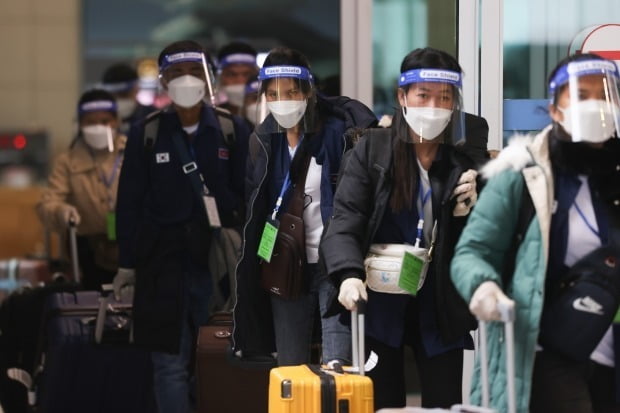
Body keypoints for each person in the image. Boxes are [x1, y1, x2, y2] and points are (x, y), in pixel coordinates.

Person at [450, 52, 620, 413]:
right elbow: (472, 251)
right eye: (581, 95)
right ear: (555, 109)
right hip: (542, 349)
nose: (596, 105)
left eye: (605, 94)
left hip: (611, 348)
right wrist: (483, 285)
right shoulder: (522, 172)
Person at [319, 47, 483, 410]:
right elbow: (345, 218)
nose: (433, 106)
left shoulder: (462, 159)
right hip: (379, 299)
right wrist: (347, 274)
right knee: (382, 401)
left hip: (438, 303)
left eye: (444, 98)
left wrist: (467, 212)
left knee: (443, 403)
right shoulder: (372, 150)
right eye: (423, 95)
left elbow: (479, 241)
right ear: (402, 97)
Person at [112, 40, 250, 413]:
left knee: (216, 358)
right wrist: (128, 261)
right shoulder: (148, 133)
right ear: (163, 82)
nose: (186, 81)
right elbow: (129, 203)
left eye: (193, 72)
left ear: (206, 78)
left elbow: (248, 197)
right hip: (162, 266)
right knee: (168, 365)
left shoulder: (230, 130)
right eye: (176, 74)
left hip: (216, 266)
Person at [232, 47, 378, 366]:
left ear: (308, 92)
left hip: (334, 261)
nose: (282, 100)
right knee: (291, 366)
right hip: (286, 260)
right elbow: (255, 207)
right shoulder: (263, 140)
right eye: (273, 94)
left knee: (338, 365)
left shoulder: (339, 134)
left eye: (291, 91)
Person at [37, 89, 125, 290]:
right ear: (80, 124)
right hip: (89, 253)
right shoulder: (67, 161)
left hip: (133, 247)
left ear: (116, 121)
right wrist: (62, 212)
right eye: (90, 122)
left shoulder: (134, 152)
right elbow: (48, 203)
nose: (99, 127)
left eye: (105, 121)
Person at [101, 62, 156, 133]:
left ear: (136, 89)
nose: (119, 99)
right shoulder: (98, 120)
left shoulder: (153, 116)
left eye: (123, 94)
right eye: (113, 96)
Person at [216, 41, 259, 115]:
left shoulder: (270, 116)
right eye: (232, 74)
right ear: (221, 78)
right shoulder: (213, 117)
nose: (241, 81)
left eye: (247, 74)